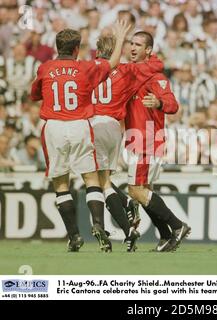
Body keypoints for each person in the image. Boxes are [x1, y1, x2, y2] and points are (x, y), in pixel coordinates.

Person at [30, 20, 131, 252]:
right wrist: (119, 38)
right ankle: (98, 225)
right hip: (80, 126)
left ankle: (74, 236)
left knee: (61, 183)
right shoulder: (86, 67)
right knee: (91, 180)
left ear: (57, 47)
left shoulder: (44, 68)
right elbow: (112, 63)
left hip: (54, 127)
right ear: (77, 49)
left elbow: (34, 94)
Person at [90, 34, 165, 252]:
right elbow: (157, 65)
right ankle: (126, 208)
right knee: (104, 180)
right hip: (115, 127)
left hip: (94, 125)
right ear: (117, 52)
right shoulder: (125, 70)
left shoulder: (88, 69)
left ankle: (122, 230)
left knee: (98, 182)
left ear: (97, 52)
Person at [125, 31, 191, 252]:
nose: (133, 48)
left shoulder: (157, 78)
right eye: (131, 43)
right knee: (145, 191)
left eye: (138, 45)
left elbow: (173, 105)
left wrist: (159, 102)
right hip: (138, 138)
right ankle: (164, 236)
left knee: (135, 190)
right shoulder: (133, 73)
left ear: (148, 50)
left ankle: (177, 225)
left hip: (146, 139)